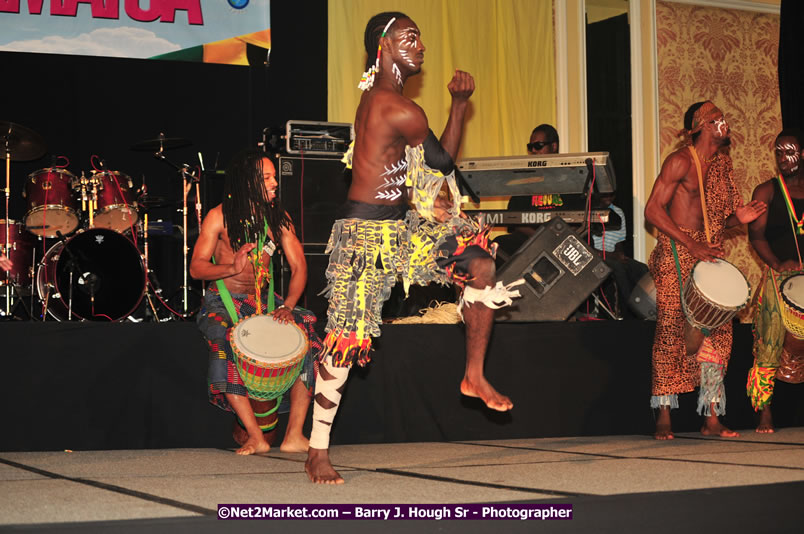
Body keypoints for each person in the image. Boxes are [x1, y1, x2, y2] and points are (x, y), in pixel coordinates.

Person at [305, 12, 521, 484]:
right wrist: (459, 105)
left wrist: (432, 208)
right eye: (409, 37)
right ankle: (317, 449)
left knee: (480, 264)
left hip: (402, 229)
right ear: (383, 46)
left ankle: (474, 375)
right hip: (363, 235)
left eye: (420, 37)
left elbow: (422, 173)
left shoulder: (388, 101)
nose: (420, 45)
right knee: (345, 342)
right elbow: (442, 164)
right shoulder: (394, 106)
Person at [644, 101, 766, 440]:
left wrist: (738, 218)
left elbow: (719, 220)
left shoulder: (723, 164)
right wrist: (691, 244)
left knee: (719, 335)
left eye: (723, 117)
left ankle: (711, 416)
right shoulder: (680, 161)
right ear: (699, 127)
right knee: (670, 329)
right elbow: (652, 210)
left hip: (708, 250)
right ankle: (664, 413)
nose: (724, 123)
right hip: (675, 251)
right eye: (716, 119)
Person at [191, 149, 320, 455]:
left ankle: (294, 435)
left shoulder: (278, 218)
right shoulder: (218, 217)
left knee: (308, 334)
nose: (275, 183)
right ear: (247, 182)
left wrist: (288, 306)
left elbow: (300, 267)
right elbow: (196, 268)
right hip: (223, 302)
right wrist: (231, 268)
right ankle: (255, 436)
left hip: (265, 301)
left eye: (274, 176)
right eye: (267, 177)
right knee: (224, 340)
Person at [747, 129, 804, 433]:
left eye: (790, 152)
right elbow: (756, 235)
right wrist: (777, 263)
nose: (783, 158)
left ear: (803, 154)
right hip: (778, 276)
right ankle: (764, 411)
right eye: (779, 152)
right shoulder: (766, 191)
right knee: (769, 343)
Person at [493, 124, 560, 262]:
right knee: (499, 244)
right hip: (530, 238)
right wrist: (539, 237)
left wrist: (557, 238)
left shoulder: (570, 178)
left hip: (562, 238)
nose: (533, 151)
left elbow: (580, 219)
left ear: (553, 147)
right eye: (530, 147)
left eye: (538, 146)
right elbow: (514, 220)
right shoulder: (524, 181)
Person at [591, 192, 649, 319]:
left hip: (612, 255)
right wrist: (612, 255)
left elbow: (619, 240)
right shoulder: (591, 212)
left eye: (611, 195)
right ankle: (629, 311)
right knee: (618, 268)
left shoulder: (618, 212)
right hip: (596, 255)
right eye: (605, 195)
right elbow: (587, 245)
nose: (609, 198)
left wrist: (620, 253)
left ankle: (643, 308)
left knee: (641, 268)